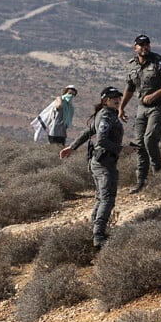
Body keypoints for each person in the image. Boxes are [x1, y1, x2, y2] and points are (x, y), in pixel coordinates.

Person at [59, 86, 125, 248]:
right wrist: (122, 149)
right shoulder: (105, 115)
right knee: (107, 198)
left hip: (101, 161)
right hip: (103, 162)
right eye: (112, 97)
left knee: (101, 197)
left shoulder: (108, 114)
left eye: (118, 97)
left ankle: (94, 230)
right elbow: (101, 140)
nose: (116, 99)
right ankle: (98, 236)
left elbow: (87, 132)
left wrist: (72, 147)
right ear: (105, 100)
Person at [123, 33, 161, 193]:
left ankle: (159, 179)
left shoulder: (159, 62)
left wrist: (155, 95)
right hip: (142, 108)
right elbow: (130, 87)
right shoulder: (131, 65)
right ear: (135, 47)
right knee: (139, 144)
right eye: (141, 45)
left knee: (150, 139)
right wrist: (121, 107)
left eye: (147, 44)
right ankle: (141, 181)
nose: (144, 47)